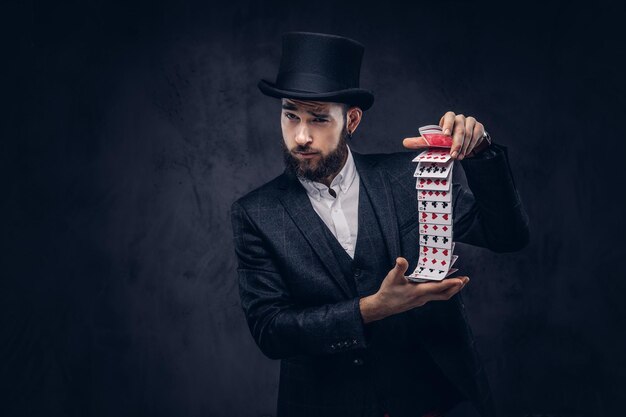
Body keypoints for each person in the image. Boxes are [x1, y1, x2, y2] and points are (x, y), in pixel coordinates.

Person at [230, 31, 529, 417]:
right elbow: (271, 331)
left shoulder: (409, 177)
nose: (301, 136)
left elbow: (507, 237)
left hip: (433, 401)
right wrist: (372, 308)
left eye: (319, 118)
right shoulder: (256, 213)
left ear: (351, 120)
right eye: (291, 115)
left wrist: (481, 154)